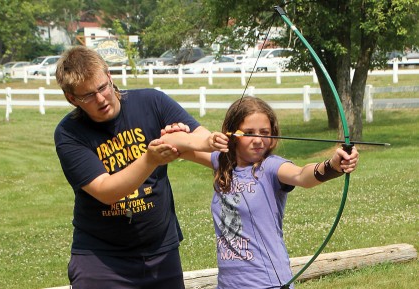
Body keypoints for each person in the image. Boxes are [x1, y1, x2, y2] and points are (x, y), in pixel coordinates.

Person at [53, 45, 228, 289]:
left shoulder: (151, 101)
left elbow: (198, 136)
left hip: (161, 252)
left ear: (110, 76)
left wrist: (207, 143)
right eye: (88, 95)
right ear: (72, 98)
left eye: (103, 87)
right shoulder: (69, 133)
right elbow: (106, 191)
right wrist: (150, 159)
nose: (101, 98)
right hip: (101, 258)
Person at [163, 96, 359, 289]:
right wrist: (200, 139)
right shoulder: (220, 161)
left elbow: (302, 175)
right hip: (228, 285)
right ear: (232, 135)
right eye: (249, 133)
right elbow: (171, 144)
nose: (258, 140)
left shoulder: (271, 167)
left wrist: (333, 165)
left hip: (268, 283)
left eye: (264, 132)